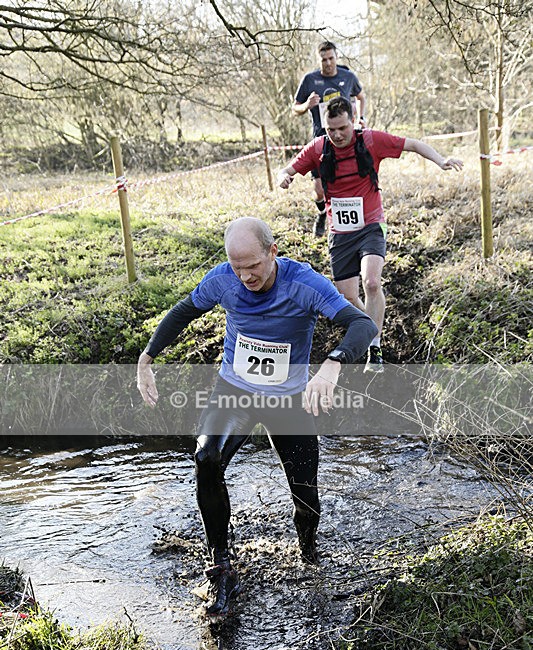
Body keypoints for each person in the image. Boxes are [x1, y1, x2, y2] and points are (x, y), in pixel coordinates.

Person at [137, 217, 377, 617]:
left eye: (253, 266)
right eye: (237, 267)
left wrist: (332, 365)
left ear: (272, 253)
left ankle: (308, 552)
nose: (246, 276)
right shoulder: (223, 280)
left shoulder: (304, 284)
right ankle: (221, 566)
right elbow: (182, 312)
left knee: (306, 498)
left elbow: (362, 323)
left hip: (288, 402)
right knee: (206, 458)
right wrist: (147, 358)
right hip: (236, 392)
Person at [278, 96, 464, 372]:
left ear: (353, 121)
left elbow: (412, 144)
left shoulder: (371, 141)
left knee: (372, 282)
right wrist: (286, 176)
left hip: (371, 225)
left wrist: (441, 160)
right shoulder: (318, 147)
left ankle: (374, 345)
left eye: (343, 128)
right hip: (340, 232)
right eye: (332, 129)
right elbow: (288, 168)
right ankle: (369, 322)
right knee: (348, 297)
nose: (338, 135)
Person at [293, 40, 366, 237]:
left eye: (331, 58)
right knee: (318, 189)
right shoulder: (310, 79)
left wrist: (361, 118)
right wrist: (307, 105)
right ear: (319, 60)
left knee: (346, 182)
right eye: (324, 59)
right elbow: (295, 107)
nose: (328, 63)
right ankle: (323, 213)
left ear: (336, 57)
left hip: (345, 140)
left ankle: (350, 224)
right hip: (320, 139)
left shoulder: (348, 76)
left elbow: (361, 97)